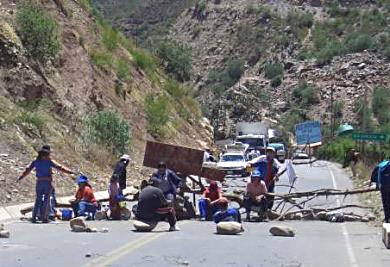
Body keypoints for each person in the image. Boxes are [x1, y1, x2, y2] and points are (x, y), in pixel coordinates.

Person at [17, 148, 75, 223]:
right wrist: (70, 172)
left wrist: (20, 177)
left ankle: (34, 217)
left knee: (38, 200)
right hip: (47, 183)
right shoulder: (49, 161)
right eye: (48, 155)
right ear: (43, 156)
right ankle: (44, 218)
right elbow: (60, 167)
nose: (49, 156)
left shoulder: (35, 162)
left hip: (39, 182)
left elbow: (27, 170)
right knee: (46, 200)